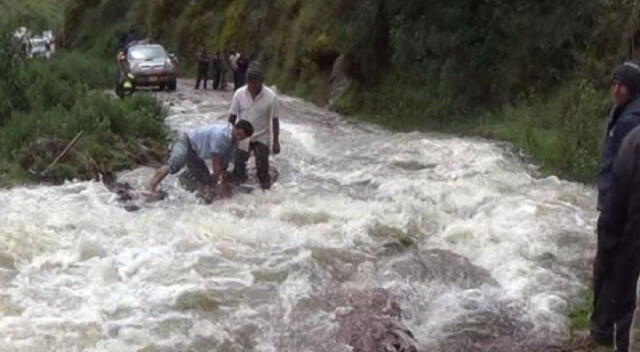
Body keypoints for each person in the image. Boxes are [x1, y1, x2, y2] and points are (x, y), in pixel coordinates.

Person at [592, 60, 640, 350]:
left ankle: (608, 333)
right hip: (613, 200)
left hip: (621, 208)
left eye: (622, 84)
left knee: (616, 269)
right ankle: (605, 331)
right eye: (614, 83)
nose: (616, 89)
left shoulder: (634, 120)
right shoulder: (623, 112)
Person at [146, 120, 254, 198]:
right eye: (239, 135)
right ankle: (151, 188)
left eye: (242, 138)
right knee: (175, 164)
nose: (239, 138)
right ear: (234, 128)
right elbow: (216, 165)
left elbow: (223, 165)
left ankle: (200, 197)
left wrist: (220, 181)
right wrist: (220, 185)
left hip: (196, 152)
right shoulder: (222, 136)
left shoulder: (233, 141)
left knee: (205, 181)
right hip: (186, 140)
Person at [228, 61, 280, 189]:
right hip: (243, 136)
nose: (253, 85)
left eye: (256, 82)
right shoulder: (239, 94)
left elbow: (275, 120)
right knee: (239, 164)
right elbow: (232, 117)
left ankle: (265, 191)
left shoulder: (271, 97)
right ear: (247, 81)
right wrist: (228, 135)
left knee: (262, 165)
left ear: (262, 81)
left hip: (261, 137)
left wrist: (276, 142)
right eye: (250, 81)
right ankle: (238, 189)